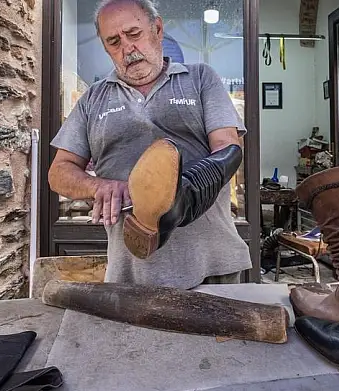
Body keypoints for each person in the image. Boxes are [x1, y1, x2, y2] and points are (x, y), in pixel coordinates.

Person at [48, 0, 252, 289]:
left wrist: (184, 193)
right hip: (131, 271)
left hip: (213, 264)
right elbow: (59, 172)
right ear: (105, 47)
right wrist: (99, 186)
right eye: (114, 41)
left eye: (134, 34)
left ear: (157, 29)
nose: (127, 48)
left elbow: (228, 148)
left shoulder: (200, 78)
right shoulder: (93, 99)